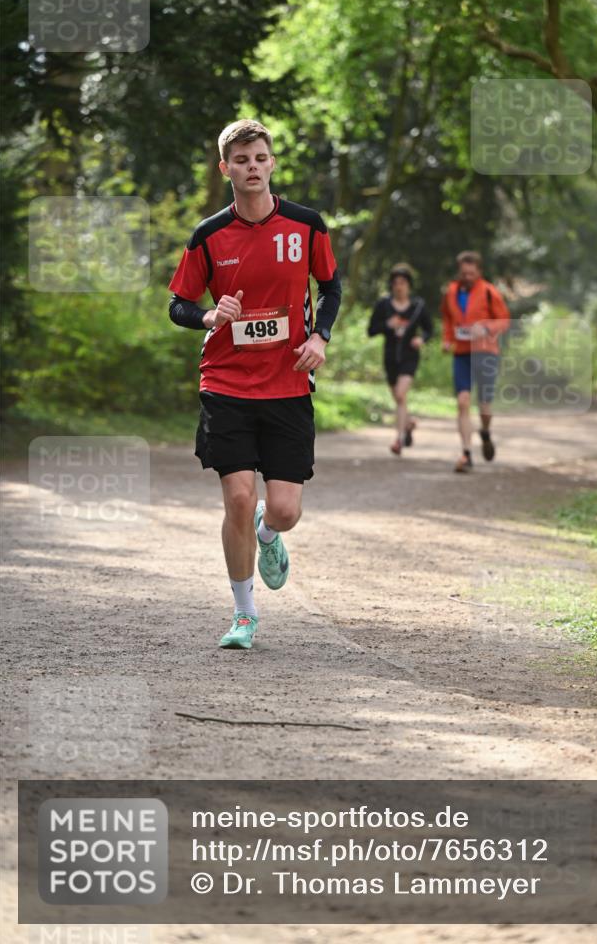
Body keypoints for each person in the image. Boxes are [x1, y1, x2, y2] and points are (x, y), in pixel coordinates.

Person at [168, 119, 341, 650]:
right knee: (238, 498)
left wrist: (321, 338)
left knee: (283, 510)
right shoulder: (208, 235)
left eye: (260, 158)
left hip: (287, 385)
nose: (252, 168)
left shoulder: (307, 225)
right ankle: (244, 615)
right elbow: (178, 304)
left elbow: (331, 287)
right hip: (226, 384)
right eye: (241, 160)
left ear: (271, 163)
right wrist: (209, 318)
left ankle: (269, 533)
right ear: (226, 169)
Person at [441, 251, 510, 473]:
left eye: (471, 273)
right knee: (462, 401)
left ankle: (486, 432)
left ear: (478, 272)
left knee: (484, 405)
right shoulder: (451, 291)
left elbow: (504, 321)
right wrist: (447, 340)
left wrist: (486, 328)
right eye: (463, 273)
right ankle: (466, 453)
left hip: (486, 353)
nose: (467, 276)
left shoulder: (490, 292)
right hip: (461, 353)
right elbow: (448, 320)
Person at [368, 263, 433, 455]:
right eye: (395, 283)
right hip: (390, 357)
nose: (399, 286)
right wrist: (387, 325)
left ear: (409, 285)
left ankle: (398, 439)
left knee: (401, 394)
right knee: (398, 398)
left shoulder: (418, 307)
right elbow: (371, 330)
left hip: (409, 356)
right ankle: (409, 424)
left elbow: (429, 329)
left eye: (403, 282)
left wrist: (421, 339)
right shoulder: (383, 305)